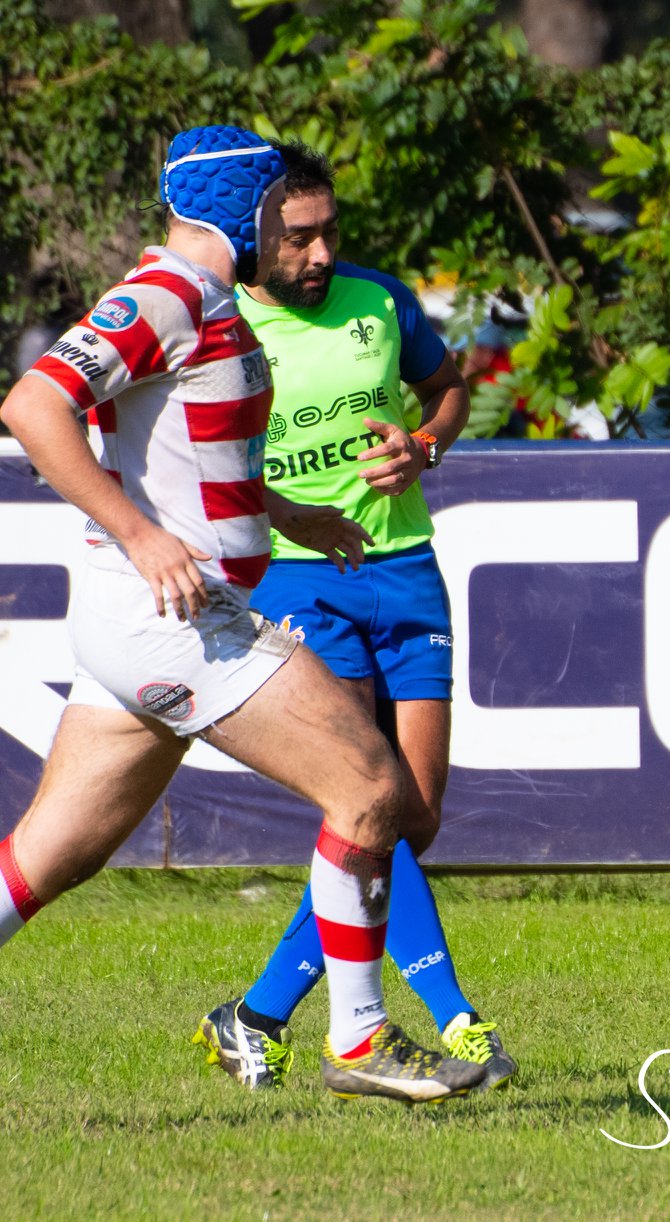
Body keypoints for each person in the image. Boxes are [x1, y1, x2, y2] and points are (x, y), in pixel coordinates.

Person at [0, 125, 484, 1103]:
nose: (302, 240)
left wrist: (288, 512)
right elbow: (30, 407)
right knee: (371, 786)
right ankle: (359, 1039)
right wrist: (141, 537)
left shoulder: (205, 299)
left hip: (141, 621)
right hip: (174, 618)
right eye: (281, 215)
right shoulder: (167, 295)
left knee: (50, 857)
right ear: (243, 212)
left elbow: (185, 455)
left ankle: (338, 1033)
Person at [190, 141, 516, 1091]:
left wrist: (424, 445)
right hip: (298, 579)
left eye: (330, 231)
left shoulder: (380, 301)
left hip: (405, 569)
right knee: (366, 801)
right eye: (299, 237)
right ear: (256, 234)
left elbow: (449, 390)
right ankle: (456, 1018)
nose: (321, 253)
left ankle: (254, 1014)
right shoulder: (216, 322)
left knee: (412, 819)